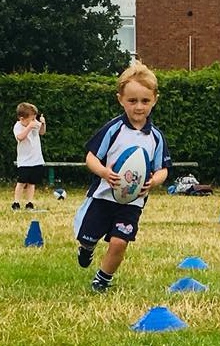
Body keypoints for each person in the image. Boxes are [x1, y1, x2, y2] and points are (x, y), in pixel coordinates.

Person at [72, 60, 171, 293]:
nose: (139, 107)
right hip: (103, 197)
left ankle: (102, 280)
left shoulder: (155, 138)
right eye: (132, 101)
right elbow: (91, 157)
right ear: (121, 100)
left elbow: (163, 169)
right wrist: (104, 172)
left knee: (119, 242)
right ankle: (86, 247)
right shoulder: (114, 129)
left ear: (155, 100)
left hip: (131, 202)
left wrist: (153, 182)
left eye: (145, 101)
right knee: (88, 237)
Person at [11, 102, 46, 210]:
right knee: (21, 182)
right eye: (31, 119)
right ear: (22, 118)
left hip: (36, 159)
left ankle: (29, 202)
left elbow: (42, 132)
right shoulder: (18, 126)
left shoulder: (34, 123)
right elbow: (20, 137)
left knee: (32, 182)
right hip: (24, 160)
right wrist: (29, 127)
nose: (33, 121)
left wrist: (43, 124)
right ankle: (16, 202)